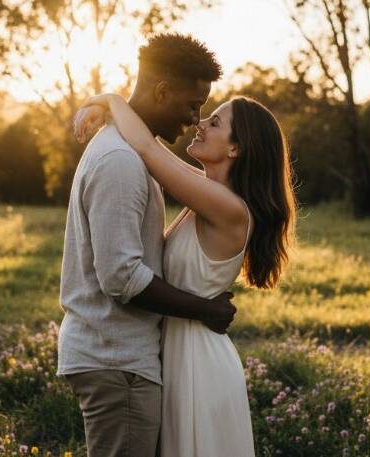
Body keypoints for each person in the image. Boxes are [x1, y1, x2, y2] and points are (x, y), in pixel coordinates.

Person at [75, 89, 297, 457]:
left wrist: (112, 100)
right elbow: (151, 150)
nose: (200, 123)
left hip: (198, 360)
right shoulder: (207, 195)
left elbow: (147, 150)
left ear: (235, 149)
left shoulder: (228, 208)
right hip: (178, 348)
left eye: (215, 122)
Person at [57, 33, 238, 457]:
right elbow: (121, 277)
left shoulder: (136, 152)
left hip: (124, 358)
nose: (196, 118)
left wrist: (109, 101)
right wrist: (206, 309)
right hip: (115, 360)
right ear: (162, 91)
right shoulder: (120, 161)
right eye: (193, 105)